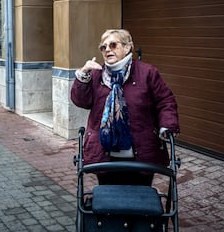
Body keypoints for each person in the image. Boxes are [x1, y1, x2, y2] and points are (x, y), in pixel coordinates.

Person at [71, 29, 179, 186]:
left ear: (128, 47)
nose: (107, 49)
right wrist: (83, 74)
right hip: (104, 153)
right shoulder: (96, 74)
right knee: (109, 198)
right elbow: (81, 101)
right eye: (103, 47)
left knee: (140, 198)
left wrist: (167, 126)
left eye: (113, 45)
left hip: (141, 152)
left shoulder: (147, 72)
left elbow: (165, 100)